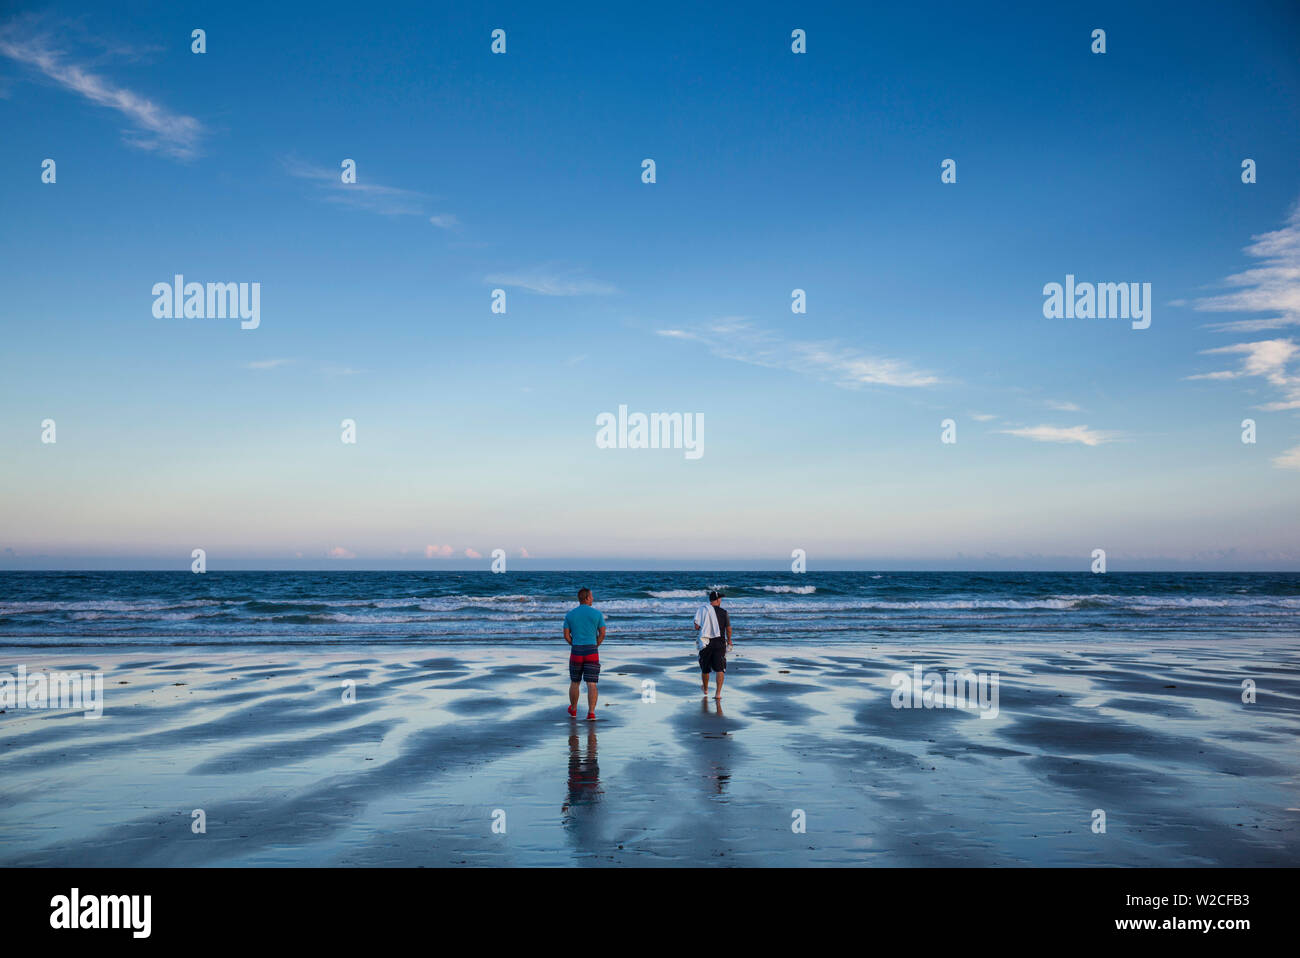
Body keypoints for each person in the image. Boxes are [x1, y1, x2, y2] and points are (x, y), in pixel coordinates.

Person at [564, 587, 605, 719]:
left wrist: (573, 643)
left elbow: (566, 635)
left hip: (576, 650)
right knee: (591, 683)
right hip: (591, 650)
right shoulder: (597, 614)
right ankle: (591, 713)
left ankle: (574, 710)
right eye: (591, 596)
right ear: (587, 598)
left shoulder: (570, 614)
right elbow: (602, 633)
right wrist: (595, 644)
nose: (593, 598)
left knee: (575, 682)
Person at [692, 590, 732, 698]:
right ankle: (718, 694)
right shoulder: (724, 612)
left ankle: (705, 689)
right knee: (720, 668)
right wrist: (730, 640)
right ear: (718, 600)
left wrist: (705, 629)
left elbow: (696, 626)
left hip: (706, 642)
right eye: (720, 599)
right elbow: (728, 629)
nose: (721, 601)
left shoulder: (703, 610)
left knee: (705, 668)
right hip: (720, 642)